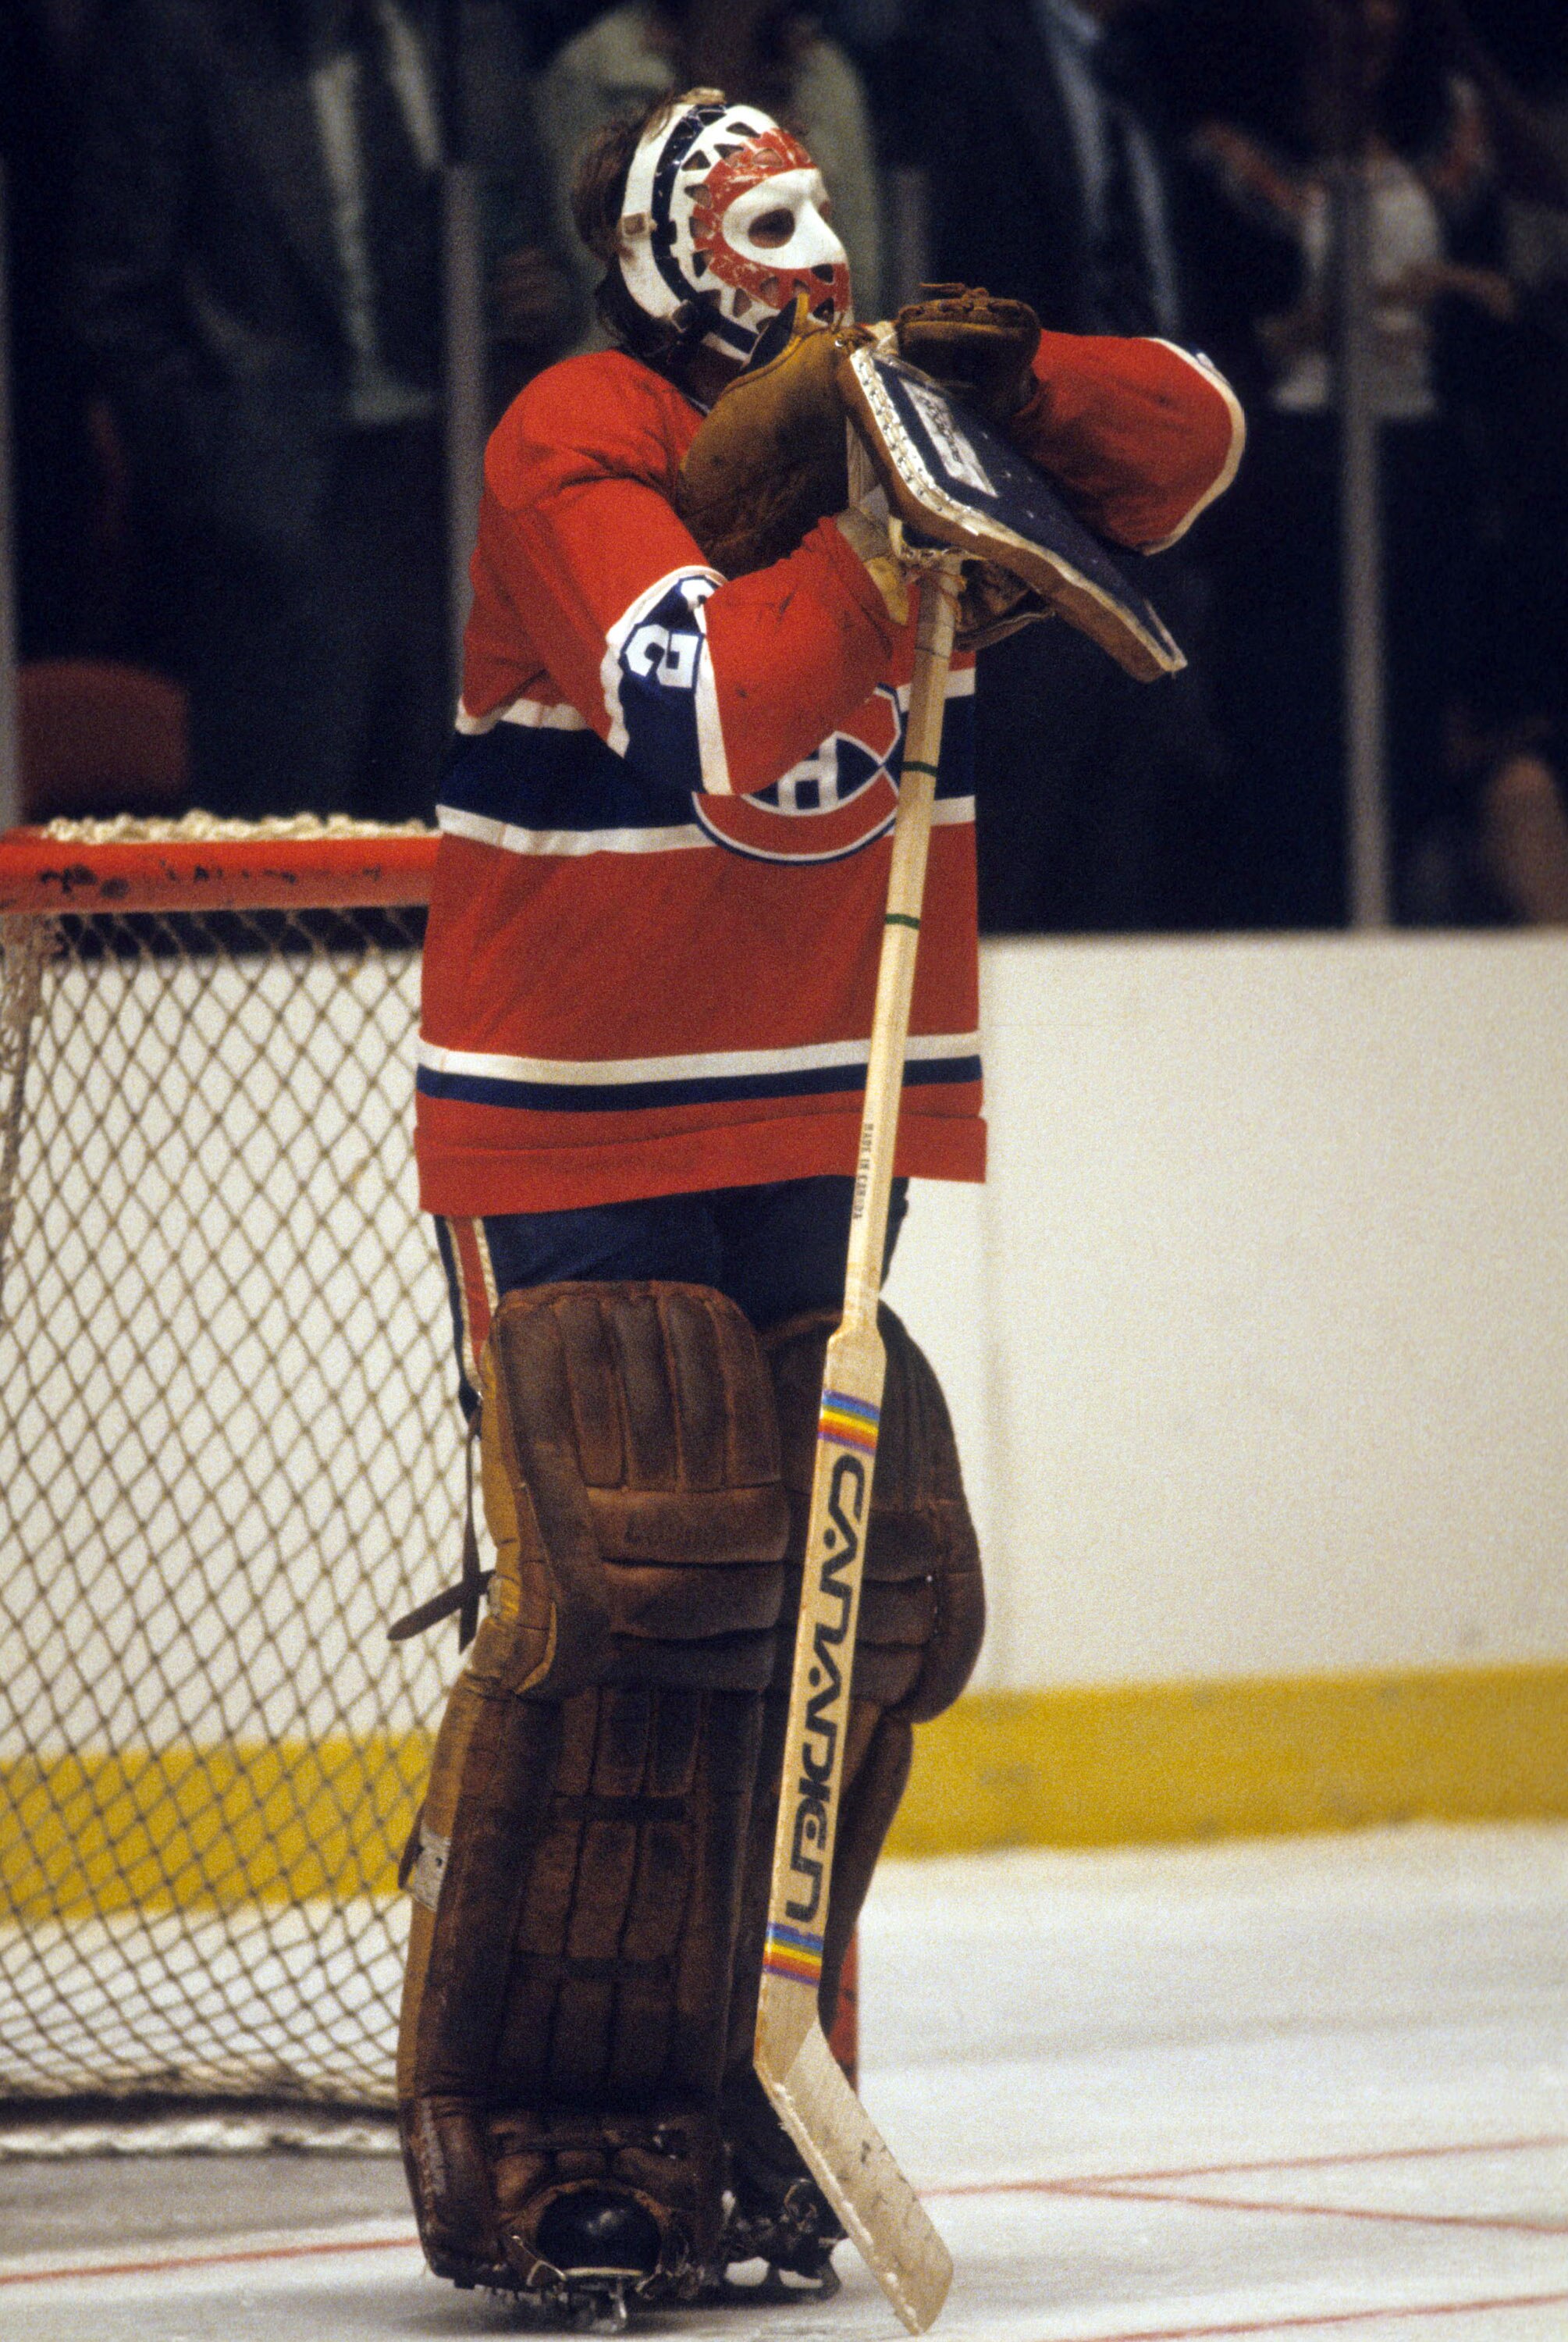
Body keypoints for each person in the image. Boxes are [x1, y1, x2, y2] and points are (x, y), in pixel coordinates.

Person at [396, 84, 1242, 2308]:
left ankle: (746, 2087)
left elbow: (1192, 437)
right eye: (762, 227)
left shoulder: (888, 420)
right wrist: (882, 539)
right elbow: (720, 720)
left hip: (813, 1103)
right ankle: (556, 2122)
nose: (818, 259)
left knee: (844, 1629)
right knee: (637, 1605)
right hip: (579, 1108)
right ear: (672, 255)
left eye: (828, 217)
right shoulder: (566, 435)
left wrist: (1004, 393)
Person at [72, 0, 572, 823]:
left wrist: (534, 300)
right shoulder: (182, 36)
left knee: (466, 859)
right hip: (281, 509)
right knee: (271, 884)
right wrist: (220, 471)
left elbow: (531, 235)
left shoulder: (466, 26)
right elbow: (111, 294)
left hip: (464, 494)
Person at [914, 0, 1239, 932]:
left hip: (1149, 498)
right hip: (1019, 494)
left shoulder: (1136, 68)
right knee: (1021, 821)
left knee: (1128, 822)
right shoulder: (966, 49)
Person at [1187, 0, 1515, 924]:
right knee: (1294, 732)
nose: (1364, 19)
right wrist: (1312, 321)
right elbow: (1208, 334)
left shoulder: (1447, 130)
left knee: (1412, 728)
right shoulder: (1230, 151)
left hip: (1420, 471)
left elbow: (1505, 286)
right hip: (1293, 477)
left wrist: (1463, 293)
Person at [535, 0, 885, 340]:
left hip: (809, 348)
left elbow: (858, 275)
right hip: (642, 352)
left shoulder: (823, 73)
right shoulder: (597, 70)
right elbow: (598, 269)